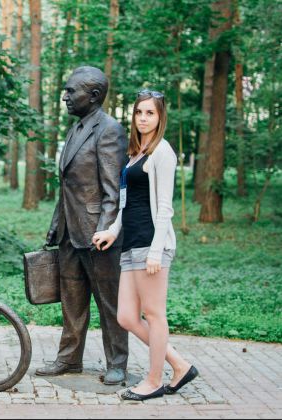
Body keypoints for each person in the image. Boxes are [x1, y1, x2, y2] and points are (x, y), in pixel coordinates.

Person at [92, 89, 198, 401]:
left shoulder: (163, 152)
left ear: (160, 117)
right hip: (131, 244)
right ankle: (180, 366)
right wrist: (113, 231)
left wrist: (155, 251)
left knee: (154, 314)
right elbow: (127, 203)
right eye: (139, 112)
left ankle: (154, 381)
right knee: (126, 316)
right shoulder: (136, 155)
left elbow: (165, 208)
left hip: (152, 245)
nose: (143, 118)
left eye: (150, 113)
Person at [38, 66, 129, 385]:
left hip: (97, 235)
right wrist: (56, 224)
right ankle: (69, 358)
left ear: (93, 95)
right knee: (72, 299)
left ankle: (117, 362)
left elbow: (113, 190)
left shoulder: (109, 130)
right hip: (69, 231)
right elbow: (68, 186)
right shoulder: (76, 129)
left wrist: (105, 230)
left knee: (108, 302)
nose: (65, 96)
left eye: (70, 91)